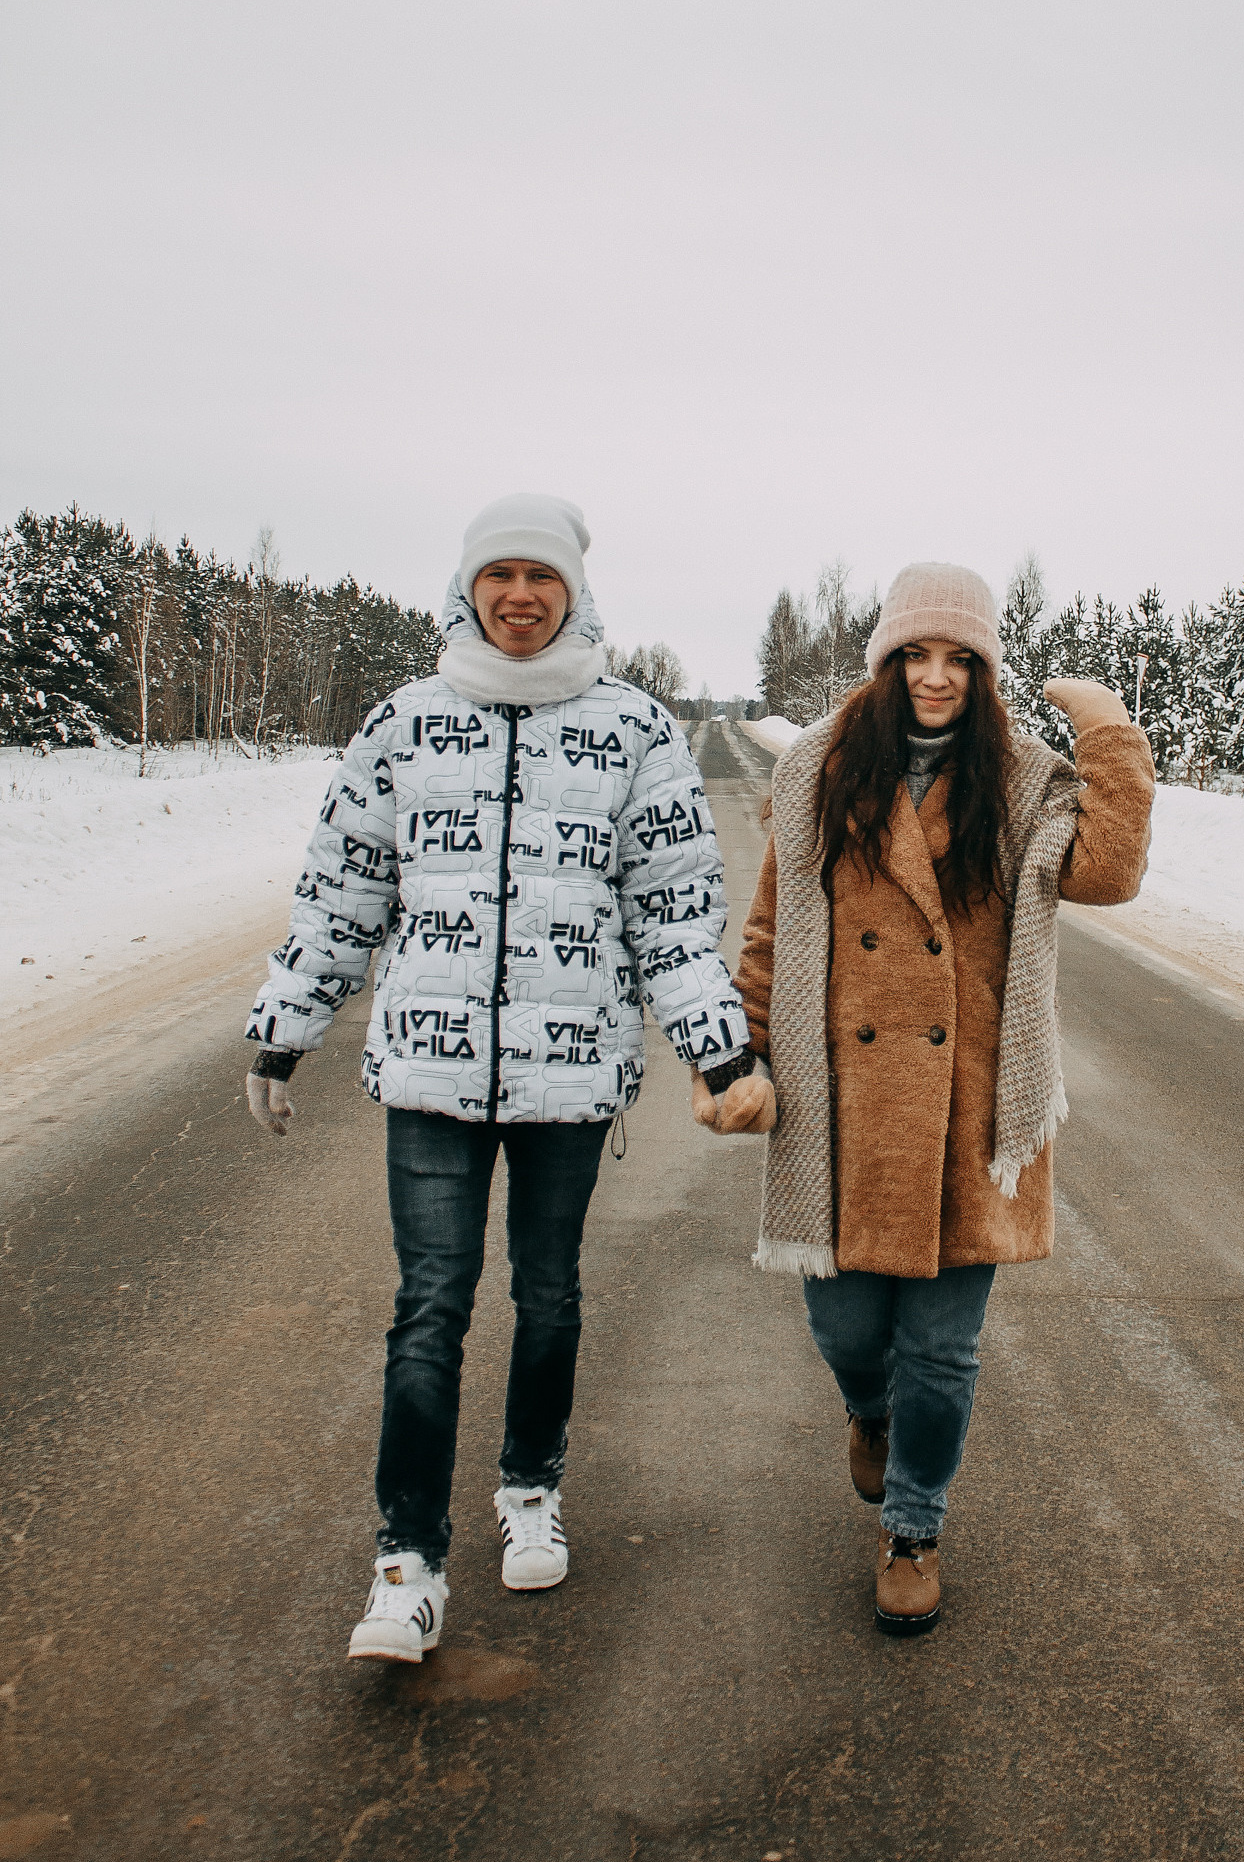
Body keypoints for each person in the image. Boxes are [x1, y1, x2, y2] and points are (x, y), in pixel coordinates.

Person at [242, 493, 759, 1663]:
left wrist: (717, 1047)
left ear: (575, 591)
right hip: (428, 1071)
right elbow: (345, 890)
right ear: (467, 589)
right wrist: (286, 1025)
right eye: (499, 574)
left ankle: (531, 1484)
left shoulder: (635, 731)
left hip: (570, 1076)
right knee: (428, 1308)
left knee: (551, 1292)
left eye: (542, 576)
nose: (520, 595)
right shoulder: (405, 725)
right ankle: (406, 1564)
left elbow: (673, 913)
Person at [725, 561, 1154, 1636]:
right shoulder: (820, 775)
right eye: (915, 654)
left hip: (970, 1101)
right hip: (841, 1105)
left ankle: (914, 1528)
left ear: (984, 671)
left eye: (959, 658)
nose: (934, 676)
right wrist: (739, 1052)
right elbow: (775, 929)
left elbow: (1106, 871)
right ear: (883, 662)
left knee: (944, 1349)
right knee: (846, 1326)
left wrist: (1109, 738)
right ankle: (868, 1413)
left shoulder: (1021, 780)